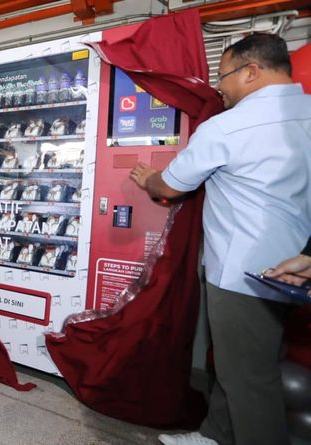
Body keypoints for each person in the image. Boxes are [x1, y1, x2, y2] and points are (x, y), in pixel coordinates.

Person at [129, 33, 311, 445]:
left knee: (249, 382)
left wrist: (148, 178)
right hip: (296, 271)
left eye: (223, 76)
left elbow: (172, 185)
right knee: (253, 362)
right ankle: (215, 435)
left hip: (243, 273)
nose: (218, 88)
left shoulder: (227, 127)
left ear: (251, 71)